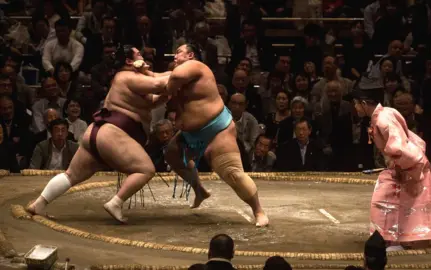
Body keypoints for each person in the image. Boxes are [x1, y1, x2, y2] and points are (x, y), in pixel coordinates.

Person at [26, 45, 171, 223]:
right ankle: (115, 203)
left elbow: (150, 101)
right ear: (129, 61)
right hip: (112, 134)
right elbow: (158, 83)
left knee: (71, 175)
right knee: (145, 169)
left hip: (97, 133)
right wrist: (185, 72)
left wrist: (165, 95)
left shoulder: (132, 80)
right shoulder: (127, 76)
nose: (143, 56)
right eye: (139, 54)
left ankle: (39, 204)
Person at [164, 43, 269, 227]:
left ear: (191, 55)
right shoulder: (176, 75)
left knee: (233, 174)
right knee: (173, 154)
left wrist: (165, 86)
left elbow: (174, 77)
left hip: (216, 130)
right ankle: (199, 190)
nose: (175, 55)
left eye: (179, 52)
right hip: (191, 133)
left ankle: (258, 211)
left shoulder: (195, 66)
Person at [351, 88, 431, 251]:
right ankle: (396, 238)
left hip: (410, 163)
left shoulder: (382, 119)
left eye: (356, 104)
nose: (355, 108)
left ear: (364, 104)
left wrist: (402, 166)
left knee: (384, 197)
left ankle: (393, 240)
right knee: (397, 198)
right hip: (405, 162)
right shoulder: (381, 115)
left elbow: (399, 145)